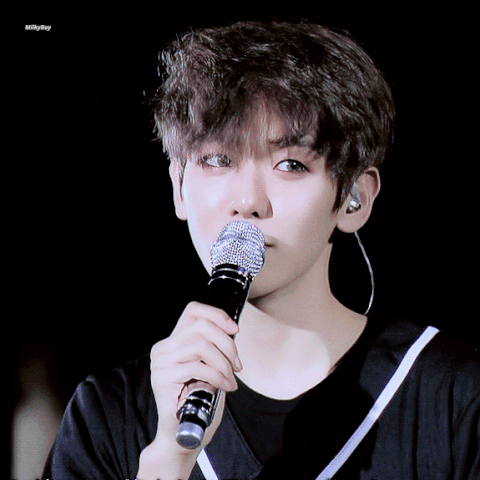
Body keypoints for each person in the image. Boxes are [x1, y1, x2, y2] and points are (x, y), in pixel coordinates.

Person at [43, 21, 479, 480]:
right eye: (218, 159)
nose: (248, 201)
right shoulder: (108, 418)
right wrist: (168, 456)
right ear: (178, 186)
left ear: (354, 197)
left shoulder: (453, 397)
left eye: (290, 164)